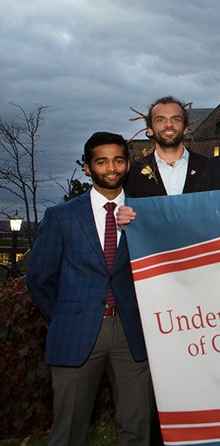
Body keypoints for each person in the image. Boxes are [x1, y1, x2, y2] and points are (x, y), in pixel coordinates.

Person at [27, 132, 152, 446]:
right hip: (75, 331)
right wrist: (65, 318)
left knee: (137, 429)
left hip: (132, 332)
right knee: (68, 430)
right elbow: (39, 278)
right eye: (102, 161)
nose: (111, 168)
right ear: (87, 167)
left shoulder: (145, 214)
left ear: (128, 164)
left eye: (119, 160)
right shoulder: (61, 217)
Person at [125, 96, 207, 197]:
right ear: (150, 129)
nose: (169, 125)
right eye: (160, 120)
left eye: (176, 119)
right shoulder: (132, 174)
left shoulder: (208, 168)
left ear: (185, 128)